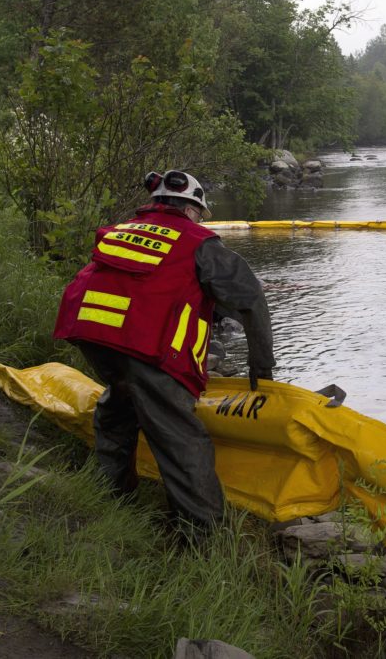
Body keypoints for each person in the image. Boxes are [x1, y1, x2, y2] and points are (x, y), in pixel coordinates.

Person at [53, 169, 275, 535]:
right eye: (200, 214)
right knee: (182, 437)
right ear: (192, 210)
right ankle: (202, 537)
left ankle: (110, 497)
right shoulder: (199, 242)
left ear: (155, 203)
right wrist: (261, 365)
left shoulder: (126, 230)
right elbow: (251, 298)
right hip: (145, 348)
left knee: (119, 406)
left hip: (91, 335)